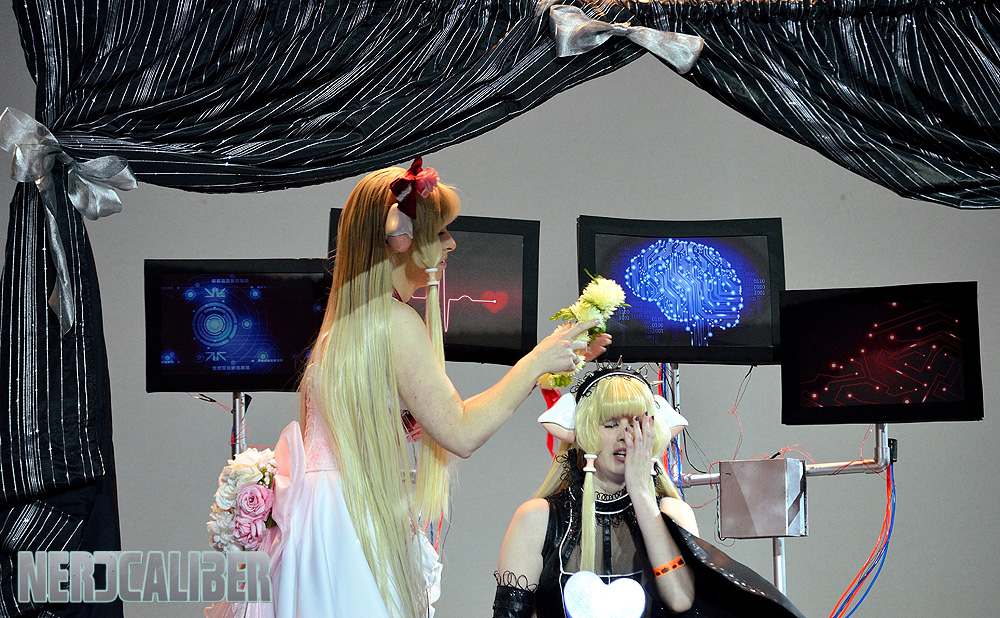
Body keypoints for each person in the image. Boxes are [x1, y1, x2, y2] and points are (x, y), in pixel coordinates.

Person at [209, 158, 606, 618]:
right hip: (352, 521)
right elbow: (461, 432)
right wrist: (536, 361)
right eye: (440, 233)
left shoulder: (348, 324)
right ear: (400, 240)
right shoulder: (393, 321)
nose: (450, 244)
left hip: (324, 517)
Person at [493, 365, 805, 618]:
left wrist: (642, 493)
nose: (626, 435)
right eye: (611, 423)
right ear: (581, 432)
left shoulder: (672, 513)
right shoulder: (538, 519)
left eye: (637, 423)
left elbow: (680, 600)